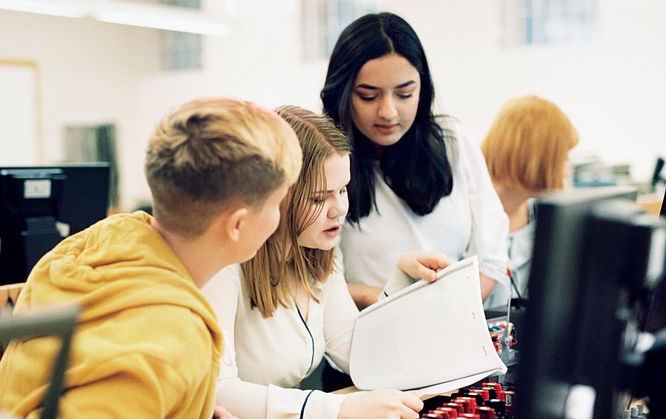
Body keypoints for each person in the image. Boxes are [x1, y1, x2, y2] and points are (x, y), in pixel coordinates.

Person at [0, 98, 303, 419]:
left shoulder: (89, 246)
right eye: (277, 203)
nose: (279, 217)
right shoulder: (174, 340)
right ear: (237, 224)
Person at [202, 105, 450, 419]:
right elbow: (216, 390)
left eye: (343, 189)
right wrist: (338, 408)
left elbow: (355, 351)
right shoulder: (225, 265)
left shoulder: (320, 255)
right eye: (319, 198)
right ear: (278, 196)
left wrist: (400, 284)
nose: (338, 210)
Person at [320, 12, 510, 309]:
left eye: (405, 94)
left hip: (459, 322)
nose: (388, 112)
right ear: (342, 94)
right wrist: (396, 299)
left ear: (423, 89)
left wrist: (451, 307)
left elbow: (492, 256)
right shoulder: (324, 166)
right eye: (368, 96)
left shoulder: (452, 141)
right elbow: (321, 285)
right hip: (370, 332)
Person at [481, 95, 579, 307]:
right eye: (561, 157)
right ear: (535, 156)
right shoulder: (467, 214)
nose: (566, 170)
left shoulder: (541, 217)